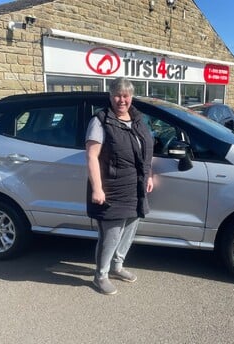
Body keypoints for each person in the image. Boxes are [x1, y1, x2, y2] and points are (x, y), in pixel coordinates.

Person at [85, 77, 154, 295]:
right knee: (111, 234)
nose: (121, 100)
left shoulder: (138, 120)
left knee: (130, 229)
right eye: (117, 95)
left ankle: (117, 266)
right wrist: (97, 188)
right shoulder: (101, 121)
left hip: (136, 187)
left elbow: (144, 152)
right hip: (112, 188)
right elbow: (92, 156)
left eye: (126, 95)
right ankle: (101, 275)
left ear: (131, 97)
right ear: (110, 96)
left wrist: (148, 175)